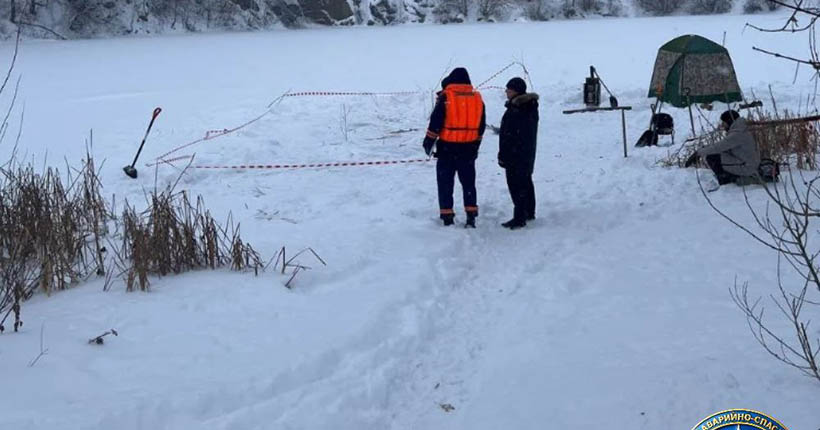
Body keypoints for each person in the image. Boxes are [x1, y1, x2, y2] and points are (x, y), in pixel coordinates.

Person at [423, 67, 486, 228]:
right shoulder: (478, 99)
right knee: (469, 184)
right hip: (468, 150)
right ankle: (471, 215)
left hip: (447, 150)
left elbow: (435, 123)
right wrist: (476, 145)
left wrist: (428, 143)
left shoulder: (446, 97)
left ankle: (447, 217)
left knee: (445, 184)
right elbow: (481, 126)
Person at [498, 77, 539, 229]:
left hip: (516, 155)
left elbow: (511, 135)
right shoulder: (528, 106)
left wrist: (505, 154)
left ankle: (519, 216)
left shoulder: (518, 109)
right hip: (525, 153)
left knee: (516, 185)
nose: (506, 92)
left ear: (515, 91)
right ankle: (528, 211)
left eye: (508, 89)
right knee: (526, 182)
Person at [685, 110, 760, 190]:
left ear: (730, 121)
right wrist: (703, 149)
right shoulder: (740, 130)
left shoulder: (737, 134)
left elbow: (718, 147)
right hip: (746, 163)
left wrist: (698, 153)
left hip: (746, 167)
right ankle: (730, 177)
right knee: (716, 154)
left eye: (724, 123)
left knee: (713, 157)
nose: (722, 125)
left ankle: (726, 182)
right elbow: (722, 146)